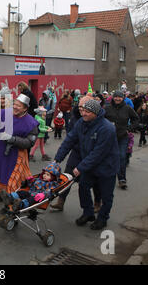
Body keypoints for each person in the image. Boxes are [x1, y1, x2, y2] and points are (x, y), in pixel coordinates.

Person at [54, 99, 119, 230]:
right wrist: (57, 160)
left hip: (107, 166)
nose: (83, 114)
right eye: (82, 110)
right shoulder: (81, 123)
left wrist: (81, 167)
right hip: (90, 166)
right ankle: (88, 213)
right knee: (83, 186)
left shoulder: (107, 128)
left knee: (106, 195)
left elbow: (98, 153)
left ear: (95, 113)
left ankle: (102, 218)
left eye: (87, 112)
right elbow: (69, 140)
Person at [50, 96, 101, 213]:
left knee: (95, 181)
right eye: (80, 107)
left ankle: (98, 202)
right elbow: (69, 139)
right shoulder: (75, 119)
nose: (81, 111)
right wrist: (57, 159)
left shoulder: (99, 122)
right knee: (67, 176)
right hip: (77, 152)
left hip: (91, 155)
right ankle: (61, 201)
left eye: (84, 108)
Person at [0, 94, 39, 199]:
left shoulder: (31, 123)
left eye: (19, 106)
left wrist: (12, 139)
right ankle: (3, 193)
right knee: (1, 172)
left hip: (16, 154)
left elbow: (30, 142)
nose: (15, 107)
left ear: (25, 108)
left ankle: (11, 202)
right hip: (0, 150)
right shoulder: (4, 113)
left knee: (13, 178)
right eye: (14, 104)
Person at [104, 90, 139, 190]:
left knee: (122, 157)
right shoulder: (107, 108)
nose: (117, 99)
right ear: (113, 97)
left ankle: (122, 179)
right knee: (107, 157)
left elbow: (136, 119)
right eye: (116, 97)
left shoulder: (127, 108)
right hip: (109, 137)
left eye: (119, 97)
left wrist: (129, 129)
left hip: (122, 137)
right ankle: (106, 178)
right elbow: (100, 119)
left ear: (123, 98)